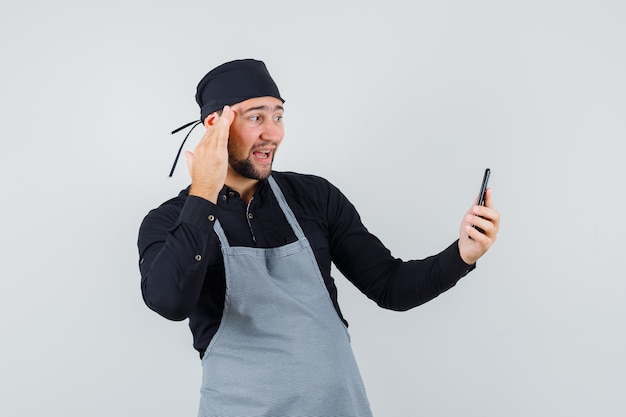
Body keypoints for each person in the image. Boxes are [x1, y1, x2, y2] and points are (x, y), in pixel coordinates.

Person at [137, 58, 500, 417]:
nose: (273, 133)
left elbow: (390, 286)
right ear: (216, 124)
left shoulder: (314, 197)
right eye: (256, 117)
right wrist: (203, 193)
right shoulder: (169, 222)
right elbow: (169, 303)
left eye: (278, 116)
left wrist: (463, 253)